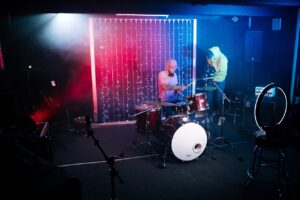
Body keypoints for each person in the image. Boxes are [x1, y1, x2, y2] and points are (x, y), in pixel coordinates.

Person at [205, 46, 228, 125]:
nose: (211, 60)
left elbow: (221, 73)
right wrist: (208, 63)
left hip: (220, 80)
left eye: (211, 58)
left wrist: (212, 75)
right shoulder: (210, 56)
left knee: (219, 99)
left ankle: (222, 117)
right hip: (212, 80)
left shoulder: (223, 59)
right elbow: (210, 67)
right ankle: (209, 116)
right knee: (209, 98)